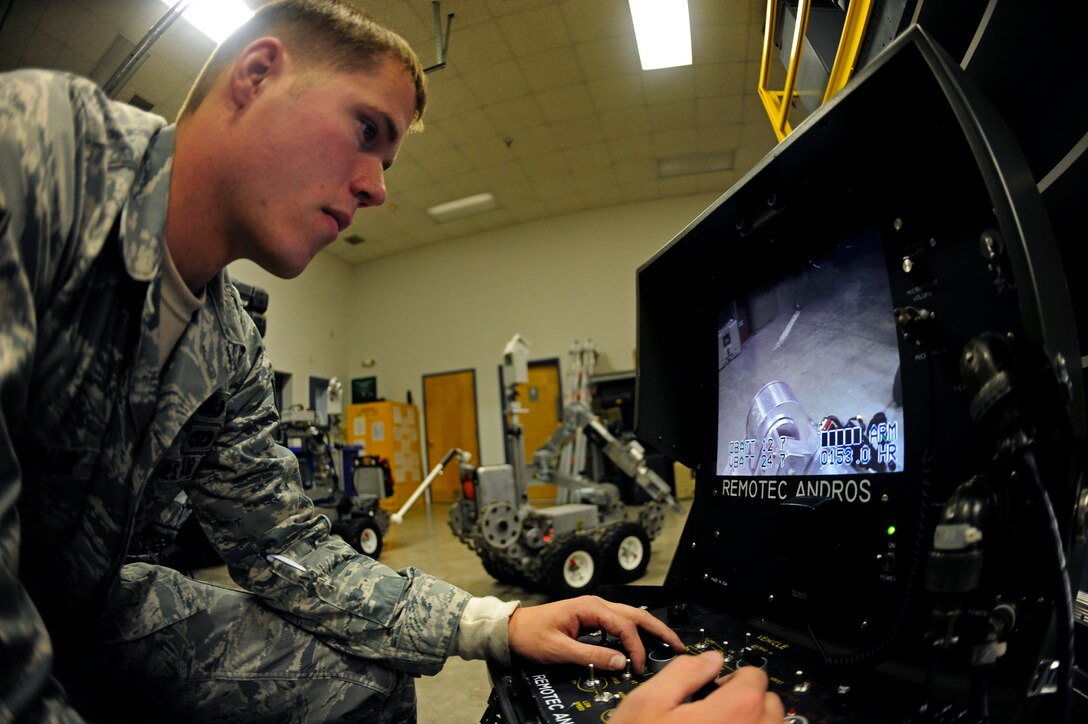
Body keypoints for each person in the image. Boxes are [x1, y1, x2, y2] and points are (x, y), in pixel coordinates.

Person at [0, 1, 783, 721]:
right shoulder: (39, 155)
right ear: (257, 74)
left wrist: (497, 623)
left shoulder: (228, 336)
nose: (376, 189)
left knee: (366, 686)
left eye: (391, 162)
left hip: (84, 606)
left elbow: (285, 548)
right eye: (368, 131)